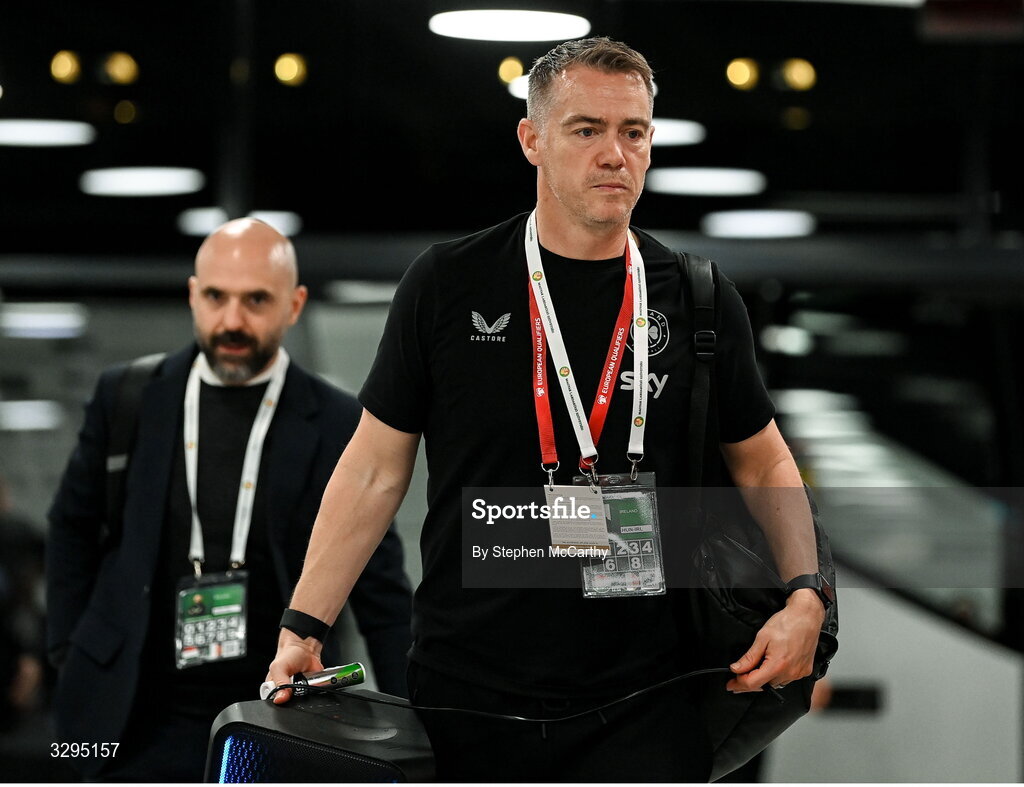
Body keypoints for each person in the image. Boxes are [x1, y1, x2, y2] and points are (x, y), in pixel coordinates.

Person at [267, 37, 826, 782]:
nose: (614, 155)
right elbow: (373, 471)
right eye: (586, 129)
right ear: (532, 139)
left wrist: (806, 595)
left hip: (647, 700)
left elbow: (764, 460)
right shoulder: (448, 285)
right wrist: (305, 623)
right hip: (469, 700)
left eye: (634, 133)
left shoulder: (697, 299)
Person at [46, 218, 413, 782]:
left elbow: (378, 582)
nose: (232, 321)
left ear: (294, 305)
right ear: (194, 295)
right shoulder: (128, 399)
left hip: (276, 714)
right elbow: (72, 529)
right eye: (216, 297)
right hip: (129, 710)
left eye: (256, 300)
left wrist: (417, 727)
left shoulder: (338, 420)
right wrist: (69, 655)